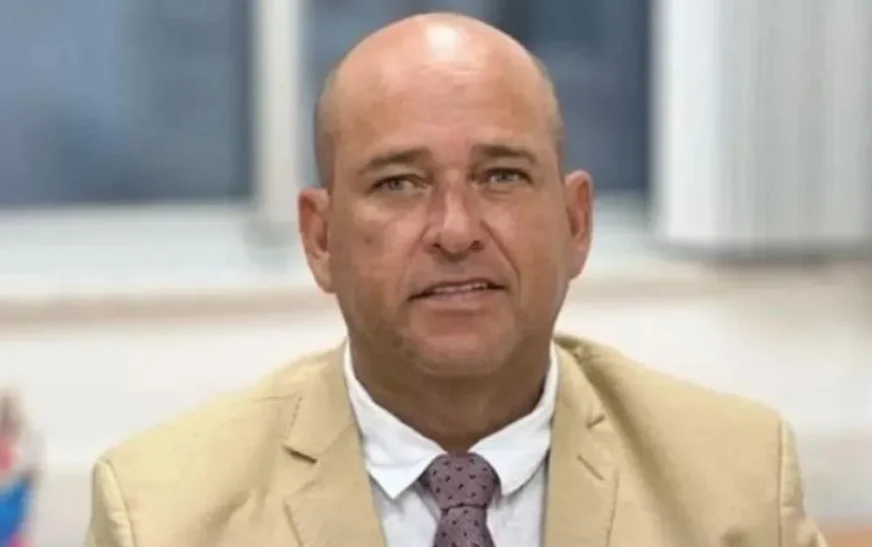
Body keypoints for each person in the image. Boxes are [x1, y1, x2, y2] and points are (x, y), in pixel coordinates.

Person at [85, 13, 828, 547]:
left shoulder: (736, 484)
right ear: (321, 239)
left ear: (575, 223)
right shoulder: (163, 515)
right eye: (400, 183)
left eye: (501, 176)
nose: (455, 229)